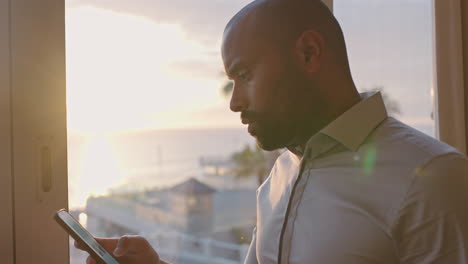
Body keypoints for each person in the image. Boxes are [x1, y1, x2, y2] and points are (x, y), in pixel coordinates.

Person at [76, 0, 468, 263]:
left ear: (309, 53)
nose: (234, 102)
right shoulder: (280, 175)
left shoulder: (433, 178)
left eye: (244, 75)